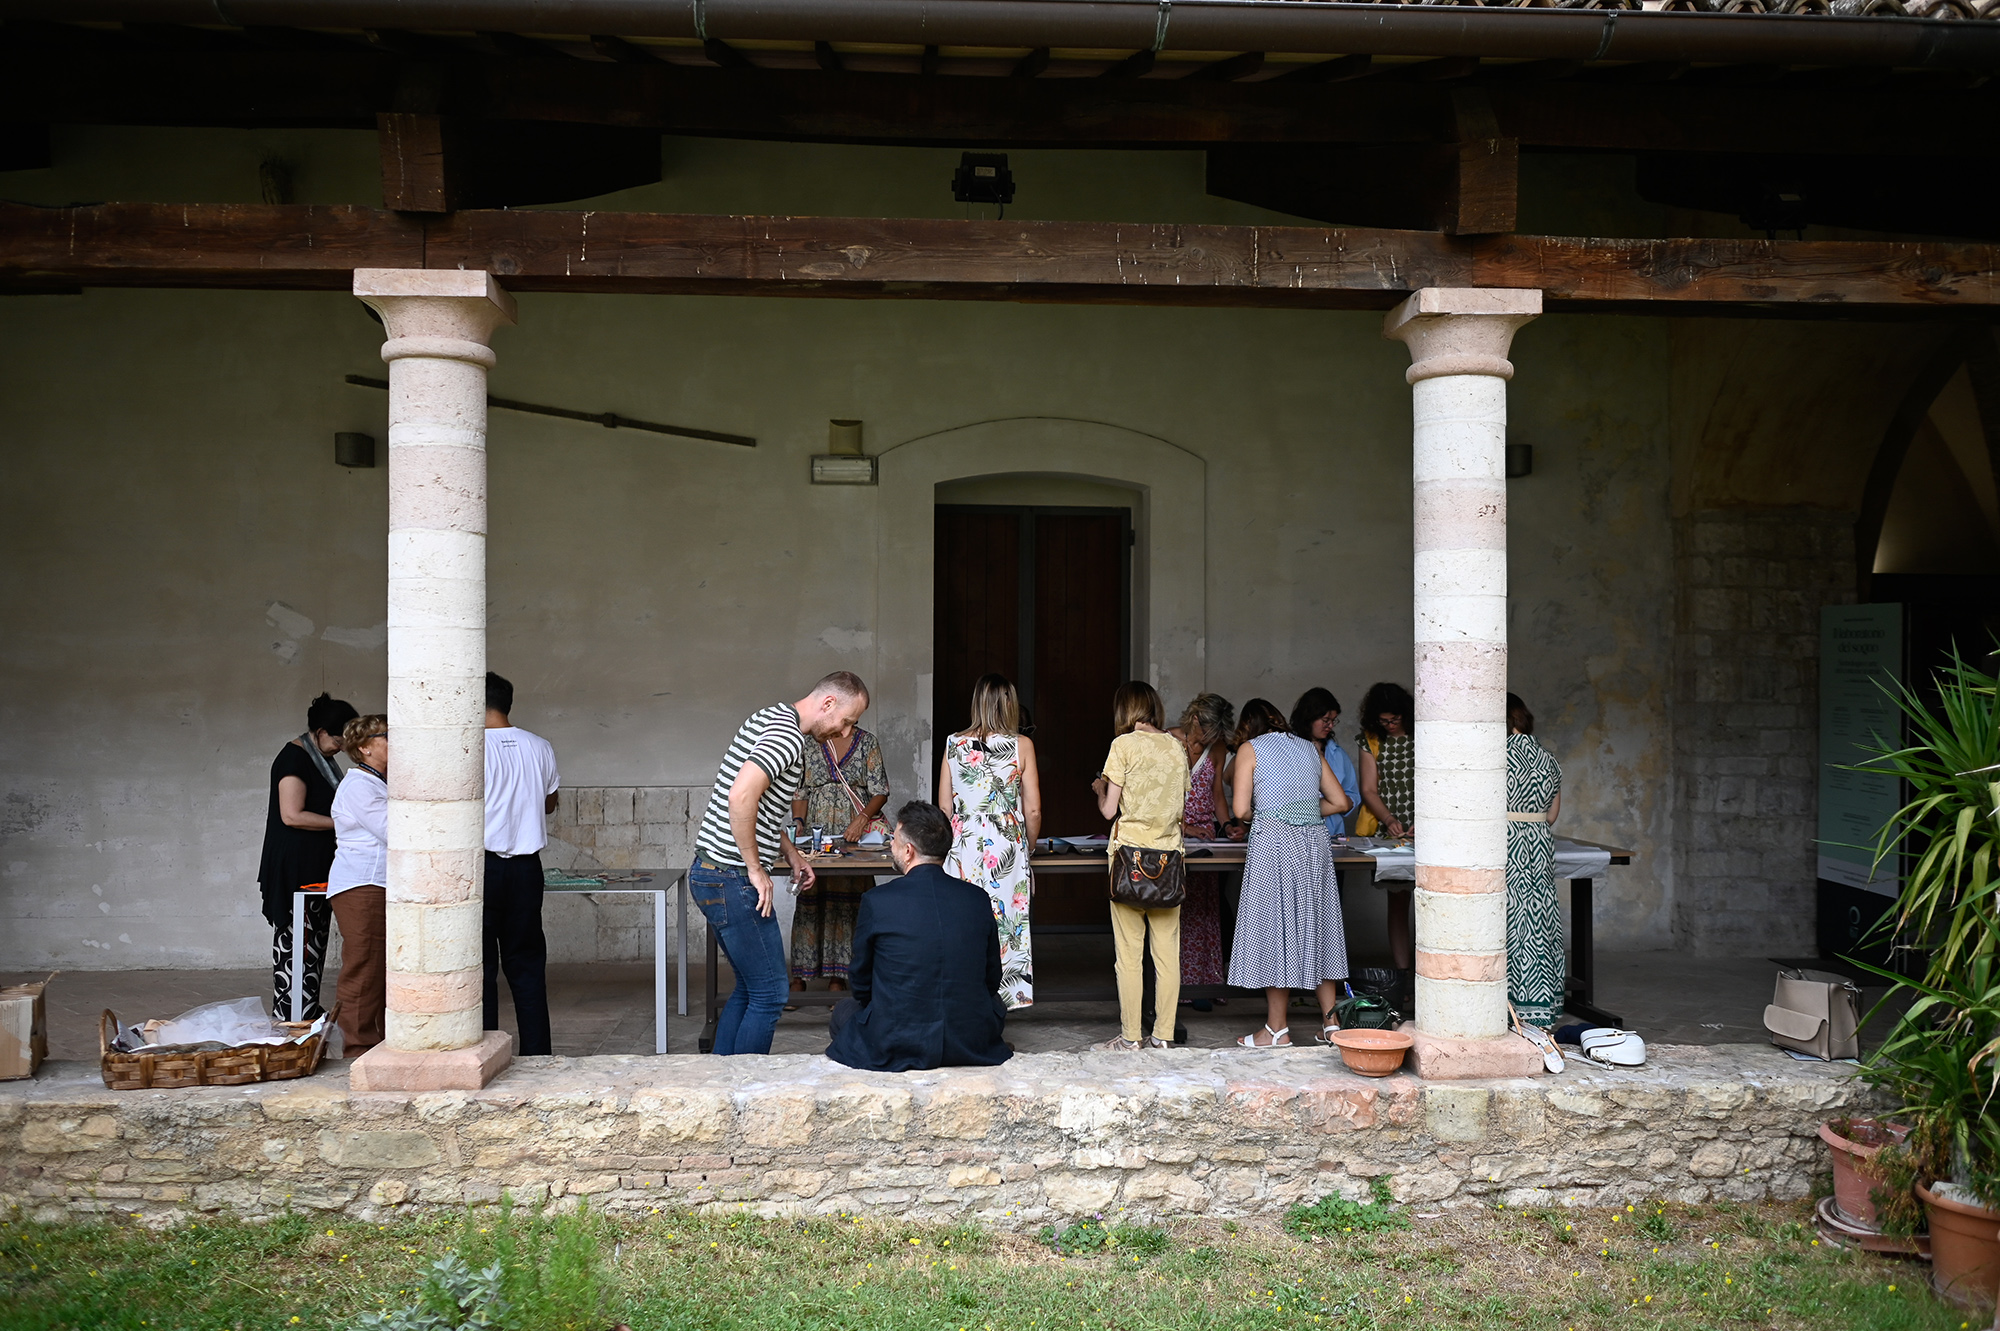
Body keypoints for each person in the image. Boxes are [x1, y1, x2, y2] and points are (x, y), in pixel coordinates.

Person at [694, 673, 871, 1055]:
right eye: (846, 720)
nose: (845, 731)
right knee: (772, 993)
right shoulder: (788, 737)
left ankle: (721, 1081)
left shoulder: (772, 716)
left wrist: (790, 855)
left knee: (750, 988)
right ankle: (747, 1097)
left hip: (712, 874)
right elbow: (741, 797)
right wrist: (756, 870)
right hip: (731, 878)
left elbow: (764, 808)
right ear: (828, 704)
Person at [825, 802, 1012, 1073]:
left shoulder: (877, 900)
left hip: (897, 1038)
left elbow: (861, 981)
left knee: (844, 1011)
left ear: (908, 851)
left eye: (894, 840)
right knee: (992, 1004)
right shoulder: (977, 898)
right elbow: (991, 977)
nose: (891, 846)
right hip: (969, 1037)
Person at [1227, 698, 1353, 1048]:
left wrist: (1269, 813)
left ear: (1247, 726)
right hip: (1314, 841)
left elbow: (1240, 809)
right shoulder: (1309, 749)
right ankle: (1332, 1026)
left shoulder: (1249, 749)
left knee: (1276, 930)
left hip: (1273, 842)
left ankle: (1276, 1030)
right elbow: (1341, 803)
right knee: (1319, 926)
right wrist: (1305, 810)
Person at [1090, 681, 1192, 1050]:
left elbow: (1108, 811)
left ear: (1125, 710)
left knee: (1129, 955)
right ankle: (1163, 1035)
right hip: (1168, 860)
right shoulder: (1176, 747)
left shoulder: (1123, 746)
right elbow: (1179, 805)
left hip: (1129, 859)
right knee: (1167, 955)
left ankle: (1131, 1036)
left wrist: (1101, 788)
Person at [257, 692, 357, 1021]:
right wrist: (343, 824)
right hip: (295, 866)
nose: (342, 747)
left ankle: (306, 1008)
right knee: (297, 941)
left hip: (313, 862)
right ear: (321, 732)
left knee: (313, 940)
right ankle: (292, 1014)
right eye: (340, 739)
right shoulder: (294, 760)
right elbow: (292, 815)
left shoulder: (318, 759)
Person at [482, 672, 561, 1057]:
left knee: (481, 968)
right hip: (528, 869)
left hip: (482, 868)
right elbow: (550, 802)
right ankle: (538, 1054)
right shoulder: (540, 745)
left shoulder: (470, 748)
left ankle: (485, 1051)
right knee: (527, 964)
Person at [789, 722, 890, 999]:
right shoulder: (810, 742)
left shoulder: (867, 742)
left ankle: (839, 978)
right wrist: (798, 822)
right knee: (810, 896)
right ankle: (800, 977)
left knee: (848, 900)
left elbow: (880, 790)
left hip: (853, 832)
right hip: (816, 831)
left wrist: (862, 819)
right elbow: (801, 791)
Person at [326, 714, 388, 1057]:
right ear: (364, 747)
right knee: (364, 965)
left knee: (376, 964)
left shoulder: (378, 781)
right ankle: (357, 1045)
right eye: (387, 737)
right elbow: (394, 830)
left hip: (376, 883)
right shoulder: (360, 786)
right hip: (363, 884)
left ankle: (371, 1039)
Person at [1505, 693, 1565, 1029]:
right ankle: (1540, 1006)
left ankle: (1508, 1004)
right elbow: (1552, 815)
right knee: (1538, 921)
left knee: (1509, 921)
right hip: (1539, 843)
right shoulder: (1550, 760)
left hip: (1506, 841)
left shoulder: (1495, 757)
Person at [1170, 692, 1233, 1006]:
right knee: (1177, 908)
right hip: (1172, 832)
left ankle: (1205, 984)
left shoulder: (1217, 748)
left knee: (1207, 908)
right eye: (1208, 730)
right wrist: (1183, 827)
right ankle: (1177, 986)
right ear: (1195, 719)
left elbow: (1217, 793)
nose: (1211, 737)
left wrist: (1227, 825)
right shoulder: (1169, 741)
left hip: (1205, 835)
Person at [1356, 681, 1417, 1005]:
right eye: (1383, 721)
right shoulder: (1370, 740)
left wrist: (1427, 820)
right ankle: (1403, 976)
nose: (1389, 725)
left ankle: (1432, 973)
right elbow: (1369, 789)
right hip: (1391, 831)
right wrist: (1390, 820)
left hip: (1430, 826)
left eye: (1394, 720)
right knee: (1397, 901)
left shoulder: (1424, 733)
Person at [1292, 688, 1360, 838]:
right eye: (1325, 720)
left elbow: (1353, 794)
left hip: (1334, 833)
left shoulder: (1337, 754)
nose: (1330, 726)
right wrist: (1331, 803)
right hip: (1298, 835)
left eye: (1333, 721)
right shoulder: (1288, 750)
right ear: (1308, 717)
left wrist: (1344, 803)